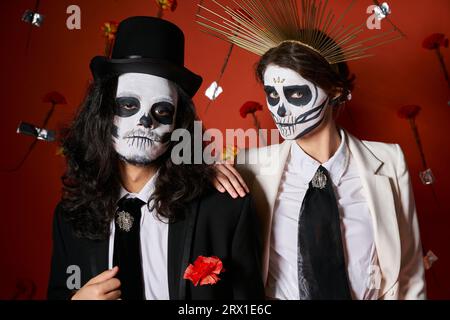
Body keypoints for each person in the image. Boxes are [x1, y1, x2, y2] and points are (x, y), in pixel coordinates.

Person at [207, 1, 426, 300]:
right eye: (272, 95)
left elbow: (410, 270)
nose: (280, 109)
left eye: (296, 93)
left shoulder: (389, 161)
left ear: (335, 91)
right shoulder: (249, 167)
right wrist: (202, 175)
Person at [47, 16, 264, 300]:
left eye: (162, 111)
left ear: (178, 124)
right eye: (127, 105)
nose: (145, 121)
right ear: (102, 112)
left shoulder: (223, 210)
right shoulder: (71, 217)